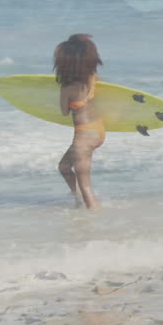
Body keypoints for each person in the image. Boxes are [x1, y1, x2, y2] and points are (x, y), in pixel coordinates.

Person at [55, 33, 104, 210]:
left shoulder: (67, 88)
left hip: (82, 136)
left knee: (86, 186)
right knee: (64, 167)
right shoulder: (93, 77)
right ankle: (77, 201)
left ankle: (92, 221)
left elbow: (64, 111)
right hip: (97, 131)